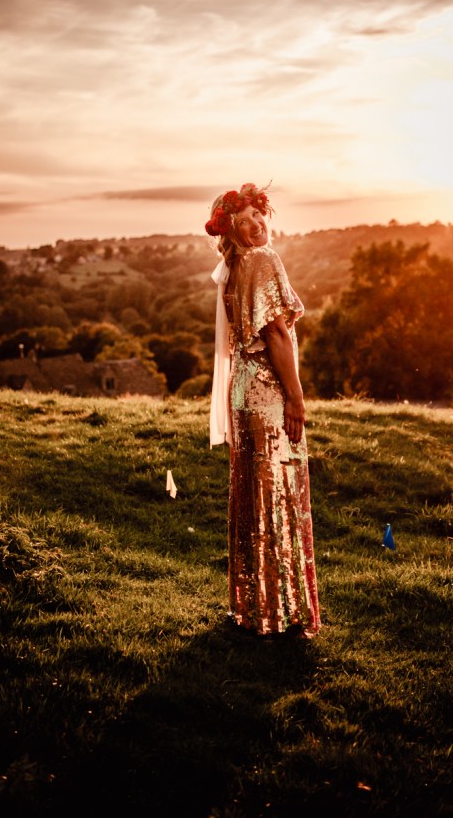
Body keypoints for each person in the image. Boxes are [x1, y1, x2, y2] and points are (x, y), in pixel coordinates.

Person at [206, 183, 320, 639]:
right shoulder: (263, 259)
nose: (256, 225)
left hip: (240, 391)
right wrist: (295, 396)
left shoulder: (232, 268)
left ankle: (254, 608)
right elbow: (276, 336)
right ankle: (283, 612)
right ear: (230, 230)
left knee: (253, 495)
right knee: (277, 492)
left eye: (258, 215)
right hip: (267, 391)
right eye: (244, 220)